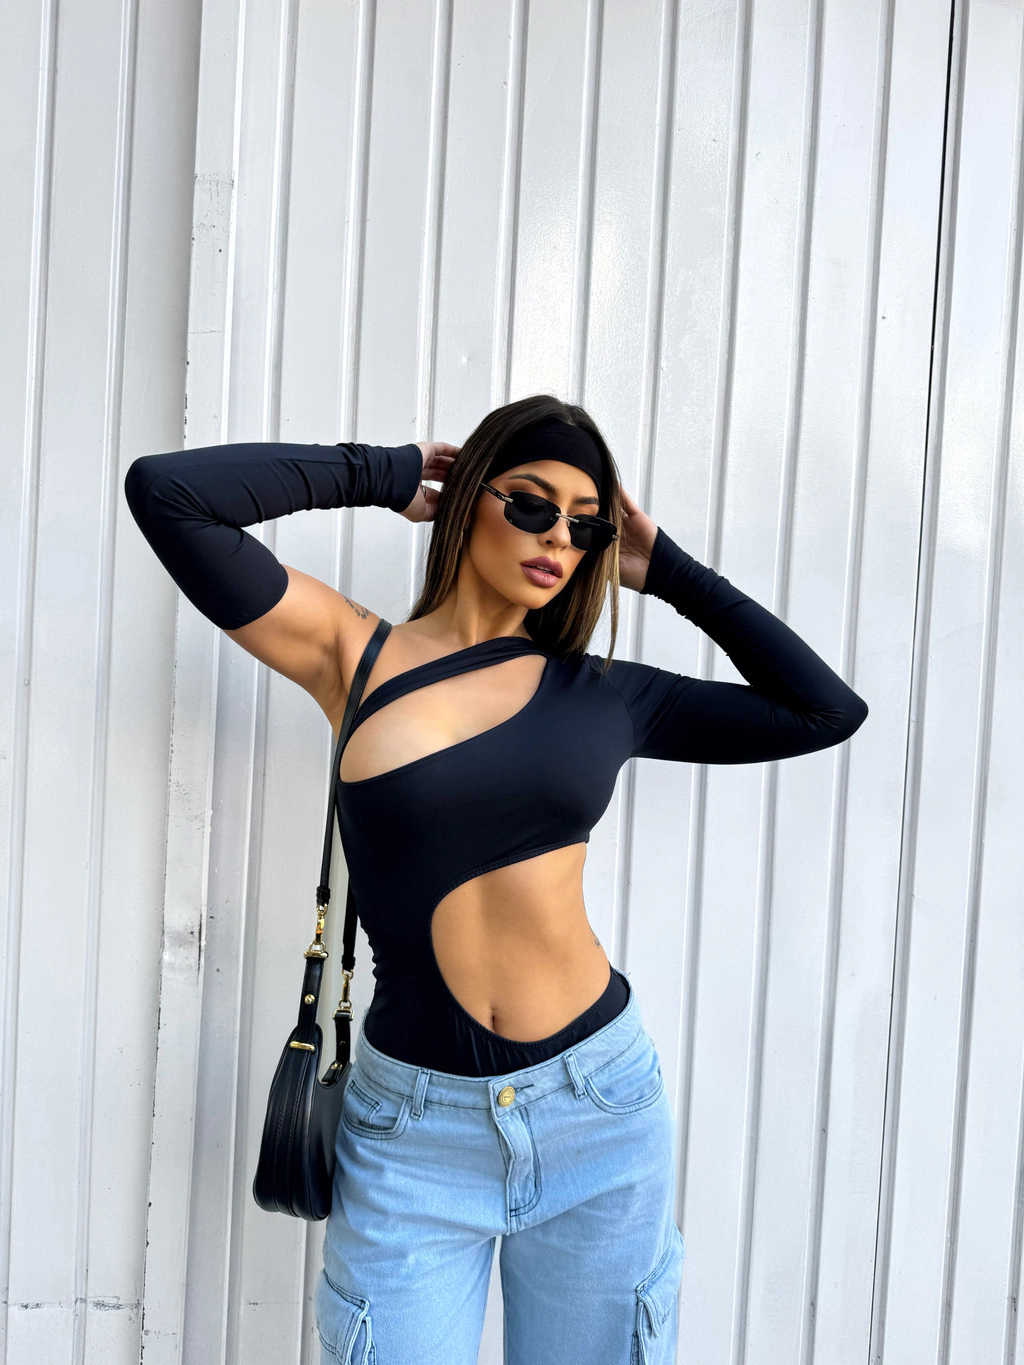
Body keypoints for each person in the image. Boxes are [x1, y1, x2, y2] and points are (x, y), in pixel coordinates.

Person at [124, 394, 868, 1364]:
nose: (558, 536)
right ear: (470, 494)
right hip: (412, 1132)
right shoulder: (354, 653)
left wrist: (668, 570)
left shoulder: (605, 695)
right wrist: (386, 473)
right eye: (530, 503)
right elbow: (169, 494)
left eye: (584, 524)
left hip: (597, 1110)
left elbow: (824, 711)